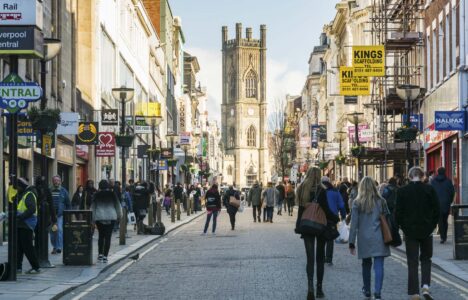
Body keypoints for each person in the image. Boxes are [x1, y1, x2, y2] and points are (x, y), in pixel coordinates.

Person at [396, 167, 439, 300]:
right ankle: (425, 286)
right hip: (426, 231)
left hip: (410, 232)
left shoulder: (402, 191)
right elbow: (436, 210)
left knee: (412, 261)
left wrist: (402, 227)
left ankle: (414, 292)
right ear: (422, 176)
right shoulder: (429, 189)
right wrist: (432, 226)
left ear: (409, 177)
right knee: (426, 259)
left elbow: (398, 213)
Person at [295, 167, 337, 300]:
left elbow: (301, 210)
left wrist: (298, 226)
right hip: (320, 226)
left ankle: (310, 288)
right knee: (319, 258)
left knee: (310, 259)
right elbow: (326, 210)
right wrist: (336, 218)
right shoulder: (321, 190)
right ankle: (319, 288)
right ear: (319, 176)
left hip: (306, 225)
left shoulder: (302, 188)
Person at [348, 177, 390, 300]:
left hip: (364, 238)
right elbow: (387, 218)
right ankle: (378, 292)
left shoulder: (357, 203)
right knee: (379, 265)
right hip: (379, 237)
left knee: (366, 264)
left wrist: (351, 242)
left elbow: (354, 224)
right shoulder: (381, 201)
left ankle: (367, 290)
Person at [90, 180, 122, 263]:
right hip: (111, 217)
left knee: (101, 236)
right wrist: (119, 215)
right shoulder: (112, 194)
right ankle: (105, 256)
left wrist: (92, 219)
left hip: (99, 217)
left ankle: (100, 254)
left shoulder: (96, 195)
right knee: (108, 237)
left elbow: (93, 207)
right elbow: (117, 205)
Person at [16, 178, 41, 274]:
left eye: (17, 187)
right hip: (21, 224)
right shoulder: (23, 194)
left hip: (27, 224)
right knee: (19, 248)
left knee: (28, 247)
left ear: (21, 186)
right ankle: (18, 267)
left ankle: (36, 267)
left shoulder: (29, 194)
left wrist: (21, 217)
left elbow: (32, 209)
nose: (16, 189)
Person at [321, 176, 346, 266]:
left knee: (321, 238)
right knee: (330, 238)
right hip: (332, 218)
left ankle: (321, 257)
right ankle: (329, 259)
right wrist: (343, 216)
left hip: (320, 217)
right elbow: (341, 205)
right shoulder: (335, 191)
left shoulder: (319, 191)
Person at [430, 167, 455, 244]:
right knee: (445, 220)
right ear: (444, 172)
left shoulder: (433, 181)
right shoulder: (448, 181)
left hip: (437, 204)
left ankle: (442, 237)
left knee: (440, 221)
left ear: (437, 172)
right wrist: (449, 201)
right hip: (446, 204)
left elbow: (431, 193)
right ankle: (444, 236)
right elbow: (452, 192)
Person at [33, 176, 57, 257]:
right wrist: (54, 218)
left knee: (38, 234)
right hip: (42, 216)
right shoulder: (45, 190)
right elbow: (51, 205)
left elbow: (51, 205)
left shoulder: (35, 189)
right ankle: (40, 251)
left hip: (39, 216)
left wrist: (53, 218)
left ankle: (38, 250)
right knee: (42, 234)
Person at [50, 175, 71, 255]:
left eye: (58, 180)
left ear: (60, 181)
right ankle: (54, 247)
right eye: (55, 180)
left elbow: (68, 204)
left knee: (59, 230)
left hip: (60, 215)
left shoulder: (63, 191)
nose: (56, 182)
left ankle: (59, 247)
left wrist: (68, 214)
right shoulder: (49, 190)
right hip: (51, 215)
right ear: (52, 181)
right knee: (52, 232)